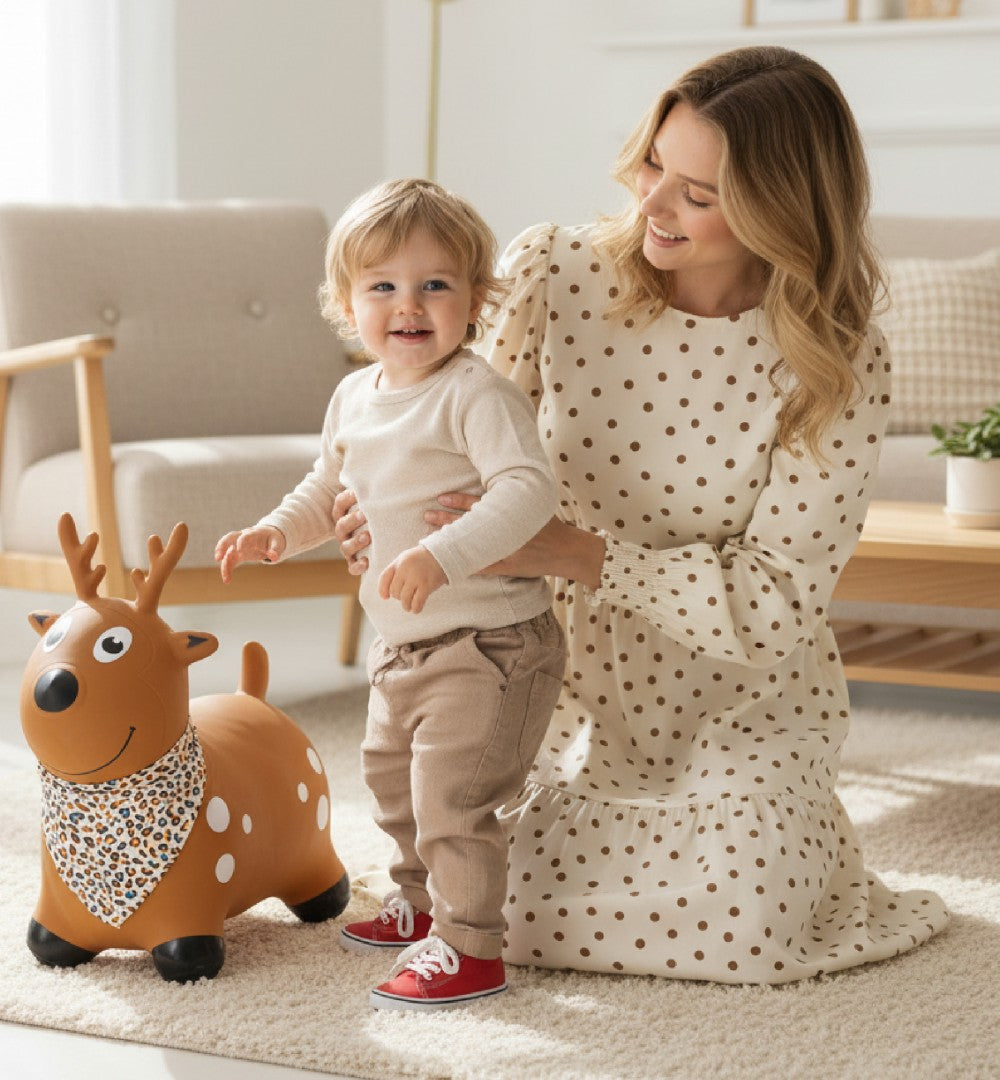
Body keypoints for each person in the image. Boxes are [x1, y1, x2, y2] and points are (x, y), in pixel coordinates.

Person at [332, 46, 950, 985]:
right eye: (655, 163)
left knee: (747, 918)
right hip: (547, 674)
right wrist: (375, 517)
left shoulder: (837, 362)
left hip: (739, 697)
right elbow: (439, 436)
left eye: (697, 194)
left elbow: (777, 603)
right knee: (476, 879)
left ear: (782, 210)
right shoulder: (555, 272)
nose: (653, 203)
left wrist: (578, 550)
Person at [214, 178, 566, 1009]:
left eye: (435, 284)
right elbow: (325, 487)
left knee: (451, 799)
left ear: (477, 300)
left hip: (490, 643)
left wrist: (442, 554)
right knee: (392, 783)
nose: (408, 305)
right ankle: (417, 903)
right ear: (346, 303)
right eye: (383, 287)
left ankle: (470, 947)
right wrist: (275, 531)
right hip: (403, 645)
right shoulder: (353, 397)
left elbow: (527, 490)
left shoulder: (476, 394)